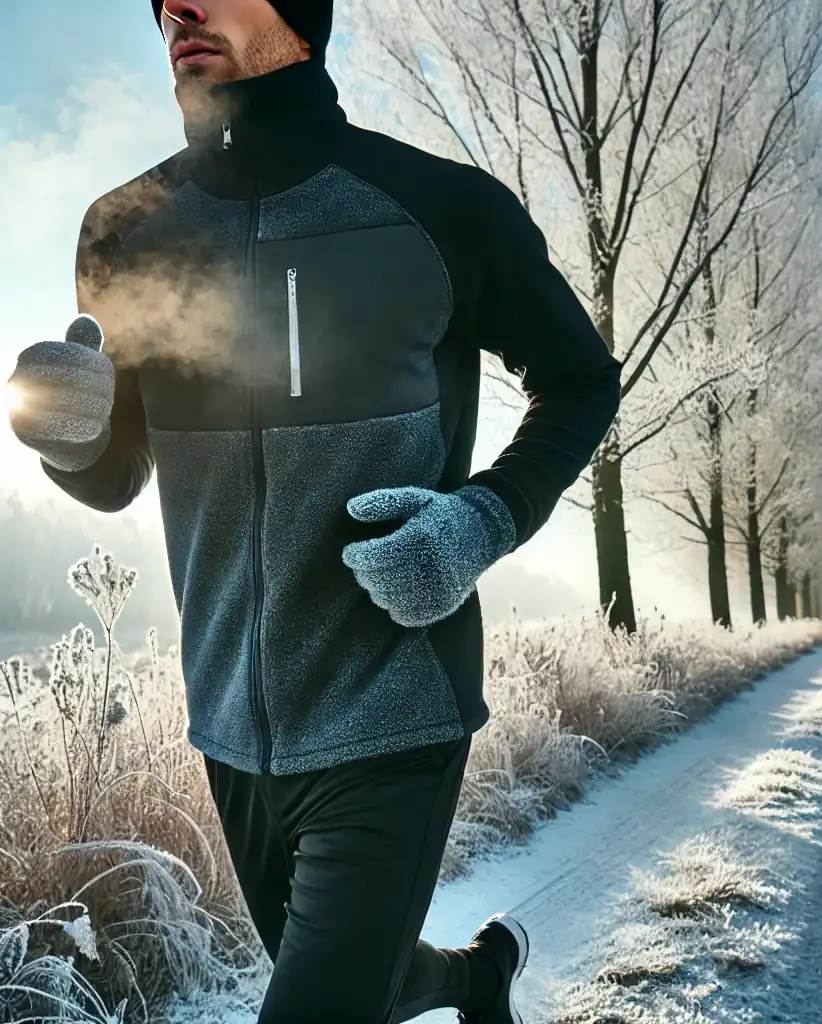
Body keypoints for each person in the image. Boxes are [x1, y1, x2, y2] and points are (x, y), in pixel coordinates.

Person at [6, 1, 622, 1021]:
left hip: (394, 705)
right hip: (230, 724)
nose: (175, 10)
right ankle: (471, 980)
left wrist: (478, 521)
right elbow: (117, 476)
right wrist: (68, 436)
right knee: (347, 978)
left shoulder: (438, 207)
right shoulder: (126, 231)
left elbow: (580, 381)